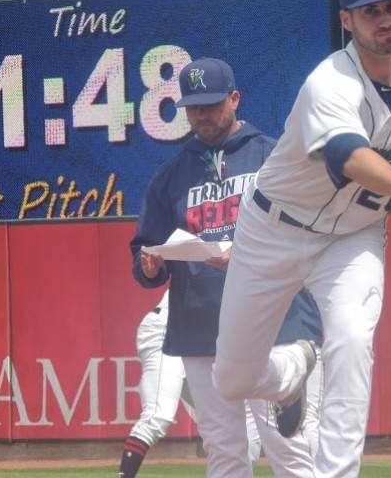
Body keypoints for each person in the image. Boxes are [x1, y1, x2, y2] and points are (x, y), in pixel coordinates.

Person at [212, 0, 391, 477]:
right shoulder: (329, 83)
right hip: (273, 229)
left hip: (353, 237)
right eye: (370, 12)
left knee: (349, 343)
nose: (384, 18)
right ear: (347, 21)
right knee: (231, 379)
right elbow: (348, 156)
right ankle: (292, 370)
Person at [130, 57, 324, 478]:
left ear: (234, 99)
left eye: (212, 104)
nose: (202, 114)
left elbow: (310, 232)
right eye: (194, 107)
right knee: (223, 448)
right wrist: (149, 265)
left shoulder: (272, 156)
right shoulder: (171, 175)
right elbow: (145, 255)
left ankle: (292, 379)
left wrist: (251, 256)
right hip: (200, 324)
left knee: (288, 445)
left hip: (274, 320)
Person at [117, 289, 265, 477]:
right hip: (168, 327)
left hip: (204, 340)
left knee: (245, 426)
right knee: (158, 415)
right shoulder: (231, 263)